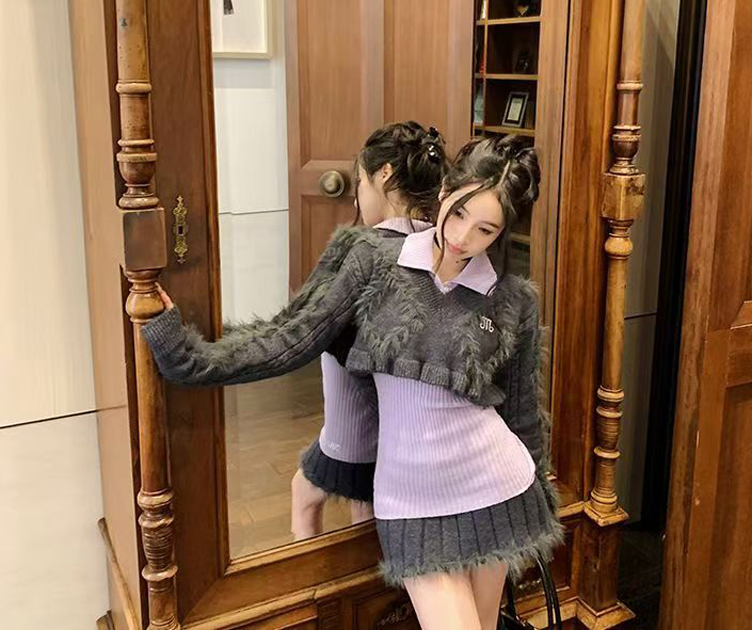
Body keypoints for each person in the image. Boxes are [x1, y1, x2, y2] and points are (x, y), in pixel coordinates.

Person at [143, 134, 562, 630]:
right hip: (413, 503)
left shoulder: (511, 298)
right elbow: (292, 338)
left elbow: (520, 413)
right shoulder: (376, 261)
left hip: (497, 488)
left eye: (485, 229)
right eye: (459, 213)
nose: (463, 236)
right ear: (445, 190)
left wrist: (540, 489)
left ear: (502, 232)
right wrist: (185, 355)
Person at [291, 121, 448, 539]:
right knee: (367, 507)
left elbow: (311, 331)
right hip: (403, 438)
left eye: (360, 181)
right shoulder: (441, 250)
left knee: (304, 493)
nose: (358, 194)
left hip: (352, 434)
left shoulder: (364, 257)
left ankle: (313, 579)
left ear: (384, 175)